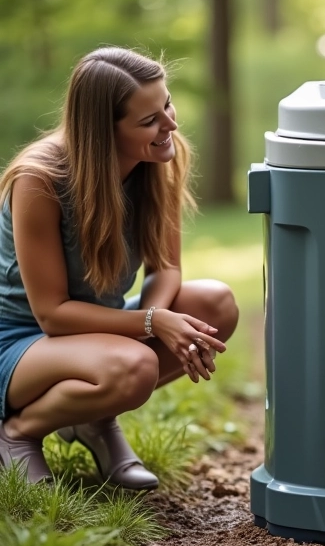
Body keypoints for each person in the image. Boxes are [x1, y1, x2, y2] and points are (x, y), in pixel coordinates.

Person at [0, 47, 239, 487]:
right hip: (20, 339)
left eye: (166, 104)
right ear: (101, 132)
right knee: (134, 366)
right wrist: (150, 321)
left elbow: (165, 268)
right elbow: (51, 315)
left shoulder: (157, 157)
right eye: (148, 120)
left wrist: (155, 321)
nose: (169, 125)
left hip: (92, 329)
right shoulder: (39, 179)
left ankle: (91, 417)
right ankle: (19, 432)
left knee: (214, 305)